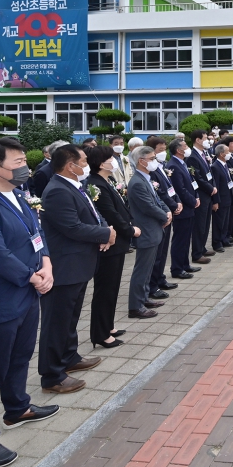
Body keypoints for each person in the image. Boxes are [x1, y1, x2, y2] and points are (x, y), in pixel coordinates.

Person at [0, 137, 59, 467]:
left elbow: (37, 233)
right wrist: (33, 277)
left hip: (28, 294)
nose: (24, 169)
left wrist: (46, 263)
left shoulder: (17, 195)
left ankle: (17, 407)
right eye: (17, 164)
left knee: (20, 357)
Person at [37, 144, 113, 393]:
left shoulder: (74, 185)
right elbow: (71, 227)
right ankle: (52, 375)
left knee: (70, 317)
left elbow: (93, 215)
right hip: (64, 265)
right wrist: (104, 233)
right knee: (56, 321)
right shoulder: (57, 190)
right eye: (83, 161)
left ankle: (69, 357)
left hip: (79, 263)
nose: (86, 165)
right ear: (71, 166)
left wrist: (105, 230)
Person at [85, 146, 137, 350]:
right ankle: (100, 333)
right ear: (100, 163)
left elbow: (120, 206)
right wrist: (130, 230)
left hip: (118, 241)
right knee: (105, 289)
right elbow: (109, 213)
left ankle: (109, 325)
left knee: (113, 287)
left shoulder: (108, 180)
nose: (113, 161)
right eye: (109, 158)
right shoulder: (95, 184)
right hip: (110, 242)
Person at [127, 145, 171, 319]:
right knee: (142, 269)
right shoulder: (137, 182)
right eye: (152, 159)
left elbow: (157, 199)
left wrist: (167, 211)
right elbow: (148, 206)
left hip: (153, 229)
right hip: (146, 230)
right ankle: (135, 306)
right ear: (141, 161)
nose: (155, 161)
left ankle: (144, 297)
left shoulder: (145, 178)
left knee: (148, 268)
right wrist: (164, 217)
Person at [145, 137, 180, 296]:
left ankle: (160, 278)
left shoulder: (161, 166)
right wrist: (171, 206)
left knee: (163, 250)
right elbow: (159, 194)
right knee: (157, 253)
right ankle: (153, 285)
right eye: (160, 150)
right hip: (161, 215)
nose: (163, 153)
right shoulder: (150, 171)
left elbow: (170, 188)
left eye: (164, 149)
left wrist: (177, 202)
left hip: (169, 212)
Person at [167, 138, 206, 278]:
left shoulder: (182, 163)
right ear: (178, 150)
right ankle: (177, 269)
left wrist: (196, 197)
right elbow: (180, 189)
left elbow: (192, 183)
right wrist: (192, 201)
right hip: (183, 207)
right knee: (180, 240)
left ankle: (185, 264)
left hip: (190, 205)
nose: (187, 147)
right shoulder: (173, 166)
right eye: (185, 146)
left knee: (186, 238)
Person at [186, 130, 218, 260]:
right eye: (205, 138)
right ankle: (197, 253)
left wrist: (214, 186)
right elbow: (197, 177)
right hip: (202, 193)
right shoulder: (192, 156)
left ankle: (202, 248)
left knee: (205, 224)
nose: (208, 141)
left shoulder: (204, 153)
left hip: (209, 193)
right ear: (198, 140)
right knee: (199, 225)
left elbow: (210, 173)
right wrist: (210, 188)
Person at [209, 145, 233, 252]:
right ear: (221, 154)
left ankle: (224, 239)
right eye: (227, 152)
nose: (229, 154)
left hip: (228, 196)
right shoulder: (215, 166)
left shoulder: (225, 165)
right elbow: (216, 185)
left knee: (225, 221)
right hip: (221, 198)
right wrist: (216, 201)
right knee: (219, 222)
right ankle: (217, 242)